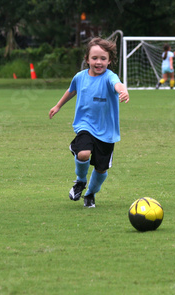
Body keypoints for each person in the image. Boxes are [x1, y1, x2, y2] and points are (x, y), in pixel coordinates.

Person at [49, 37, 130, 208]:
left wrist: (124, 91)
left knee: (101, 169)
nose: (98, 62)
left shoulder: (110, 77)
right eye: (94, 58)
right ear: (87, 59)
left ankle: (90, 194)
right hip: (85, 125)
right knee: (83, 153)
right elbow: (71, 91)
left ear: (109, 61)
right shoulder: (80, 77)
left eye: (103, 59)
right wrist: (58, 106)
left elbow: (118, 85)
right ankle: (80, 181)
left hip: (107, 132)